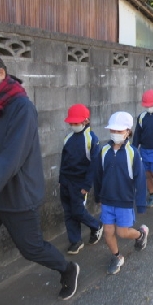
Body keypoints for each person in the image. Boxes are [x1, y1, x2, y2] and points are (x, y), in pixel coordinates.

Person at [0, 51, 79, 305]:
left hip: (15, 195)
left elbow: (11, 158)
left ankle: (67, 268)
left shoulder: (22, 108)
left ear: (0, 73)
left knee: (31, 248)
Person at [94, 111, 149, 275]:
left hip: (124, 200)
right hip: (107, 200)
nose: (115, 134)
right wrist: (98, 196)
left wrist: (140, 203)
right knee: (108, 232)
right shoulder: (103, 151)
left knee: (123, 232)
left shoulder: (133, 153)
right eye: (113, 130)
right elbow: (98, 175)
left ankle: (140, 234)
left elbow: (140, 179)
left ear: (128, 132)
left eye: (119, 131)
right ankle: (117, 256)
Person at [60, 104, 103, 255]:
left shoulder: (91, 139)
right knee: (68, 212)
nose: (73, 125)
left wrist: (87, 185)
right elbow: (64, 161)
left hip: (79, 183)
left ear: (86, 121)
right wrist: (61, 181)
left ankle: (96, 225)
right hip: (66, 181)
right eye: (71, 123)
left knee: (77, 211)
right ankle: (75, 241)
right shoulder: (68, 138)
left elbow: (94, 165)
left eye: (76, 123)